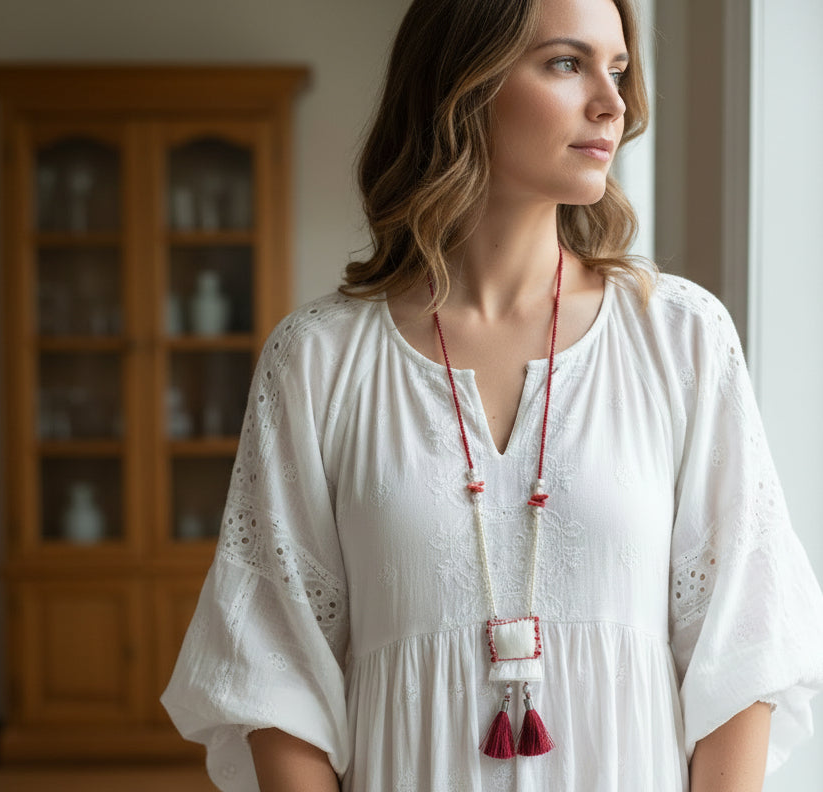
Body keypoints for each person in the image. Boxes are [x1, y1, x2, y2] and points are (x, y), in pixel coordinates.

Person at [162, 0, 823, 789]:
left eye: (616, 70)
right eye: (566, 63)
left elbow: (745, 648)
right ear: (462, 85)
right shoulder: (318, 361)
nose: (613, 103)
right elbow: (275, 673)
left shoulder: (681, 338)